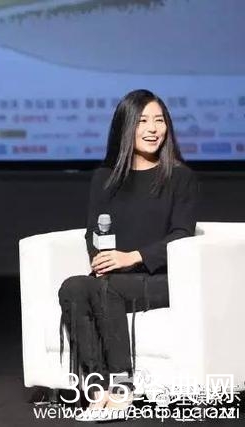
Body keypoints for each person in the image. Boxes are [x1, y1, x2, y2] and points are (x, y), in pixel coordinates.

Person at [58, 89, 198, 421]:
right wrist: (101, 257)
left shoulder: (180, 177)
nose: (153, 129)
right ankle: (97, 390)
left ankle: (123, 389)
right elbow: (93, 231)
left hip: (162, 278)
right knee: (73, 287)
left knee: (106, 289)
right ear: (125, 127)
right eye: (142, 121)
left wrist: (132, 256)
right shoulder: (104, 178)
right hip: (118, 279)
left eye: (159, 120)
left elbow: (182, 236)